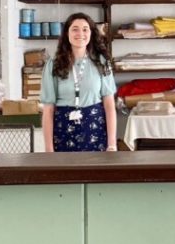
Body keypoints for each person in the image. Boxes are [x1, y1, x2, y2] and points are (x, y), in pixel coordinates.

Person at [39, 13, 118, 152]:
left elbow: (109, 105)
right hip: (63, 131)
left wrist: (112, 144)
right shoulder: (53, 65)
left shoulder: (101, 62)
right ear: (67, 33)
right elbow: (48, 110)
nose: (80, 33)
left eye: (85, 29)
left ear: (91, 33)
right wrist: (48, 149)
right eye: (75, 29)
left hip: (95, 129)